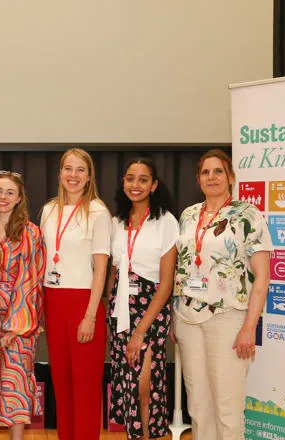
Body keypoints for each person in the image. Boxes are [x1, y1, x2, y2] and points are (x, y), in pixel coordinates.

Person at [173, 149, 271, 440]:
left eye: (218, 171)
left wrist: (249, 328)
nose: (211, 177)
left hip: (228, 319)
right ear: (198, 178)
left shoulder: (247, 214)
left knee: (227, 409)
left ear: (230, 177)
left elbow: (262, 278)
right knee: (198, 407)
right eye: (205, 172)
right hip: (187, 319)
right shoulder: (189, 215)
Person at [40, 148, 111, 440]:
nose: (73, 175)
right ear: (60, 173)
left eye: (80, 169)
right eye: (68, 169)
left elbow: (101, 268)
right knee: (62, 382)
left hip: (84, 303)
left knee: (85, 386)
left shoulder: (98, 212)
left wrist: (90, 315)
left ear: (89, 175)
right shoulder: (48, 210)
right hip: (53, 301)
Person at [106, 158, 178, 440]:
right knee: (126, 382)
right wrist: (107, 310)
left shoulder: (165, 222)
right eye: (130, 178)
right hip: (120, 305)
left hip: (151, 307)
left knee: (142, 383)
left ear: (154, 185)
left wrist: (139, 331)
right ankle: (136, 435)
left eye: (143, 179)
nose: (135, 185)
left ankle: (145, 435)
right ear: (123, 182)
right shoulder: (116, 222)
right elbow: (114, 271)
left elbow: (166, 283)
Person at [0, 171, 46, 440]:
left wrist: (16, 326)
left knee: (15, 379)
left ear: (20, 198)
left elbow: (30, 281)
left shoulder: (30, 232)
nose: (3, 197)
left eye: (10, 192)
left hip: (20, 322)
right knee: (0, 377)